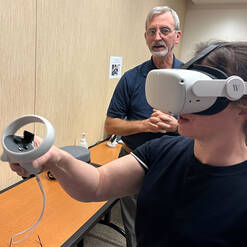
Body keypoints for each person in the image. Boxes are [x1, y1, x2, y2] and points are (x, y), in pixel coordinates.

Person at [11, 41, 247, 246]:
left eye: (199, 95)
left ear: (242, 106)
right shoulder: (162, 151)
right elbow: (97, 184)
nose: (182, 105)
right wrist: (54, 157)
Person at [104, 6, 182, 246]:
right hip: (134, 166)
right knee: (136, 234)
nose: (157, 37)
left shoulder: (193, 77)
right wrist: (145, 125)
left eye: (164, 30)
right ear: (146, 37)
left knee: (173, 229)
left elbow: (209, 127)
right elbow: (111, 124)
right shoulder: (131, 78)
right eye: (152, 31)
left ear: (177, 36)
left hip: (176, 169)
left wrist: (177, 126)